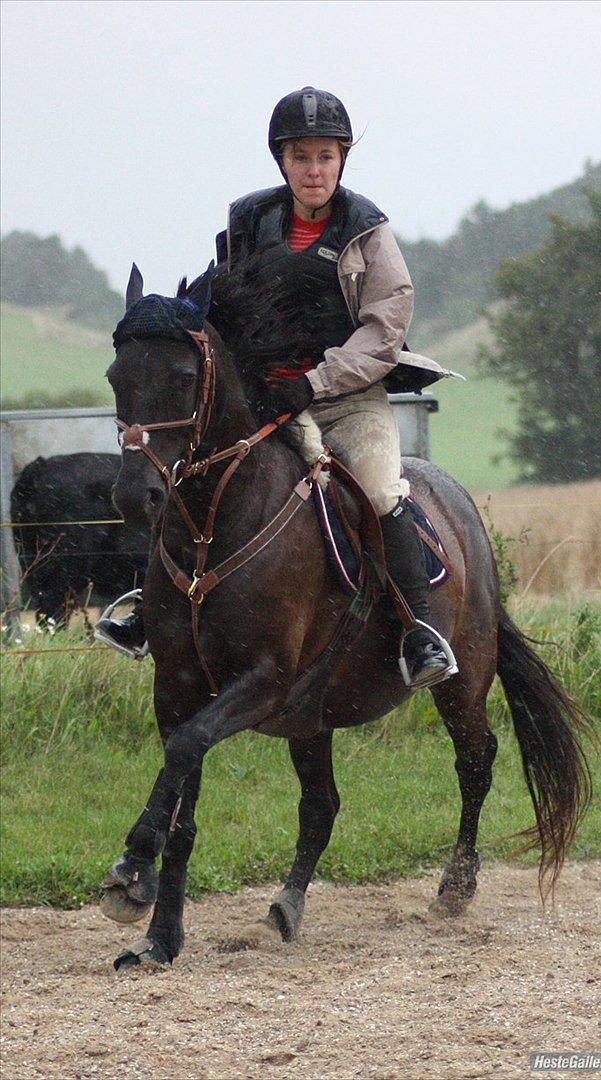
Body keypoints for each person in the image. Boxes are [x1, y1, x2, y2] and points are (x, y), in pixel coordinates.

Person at [97, 86, 456, 689]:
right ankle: (148, 612)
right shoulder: (247, 221)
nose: (313, 170)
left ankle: (419, 632)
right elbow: (224, 303)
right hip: (262, 400)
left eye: (325, 157)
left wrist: (314, 382)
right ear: (281, 161)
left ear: (342, 160)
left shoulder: (368, 231)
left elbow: (385, 328)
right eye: (300, 158)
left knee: (378, 488)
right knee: (187, 475)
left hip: (346, 397)